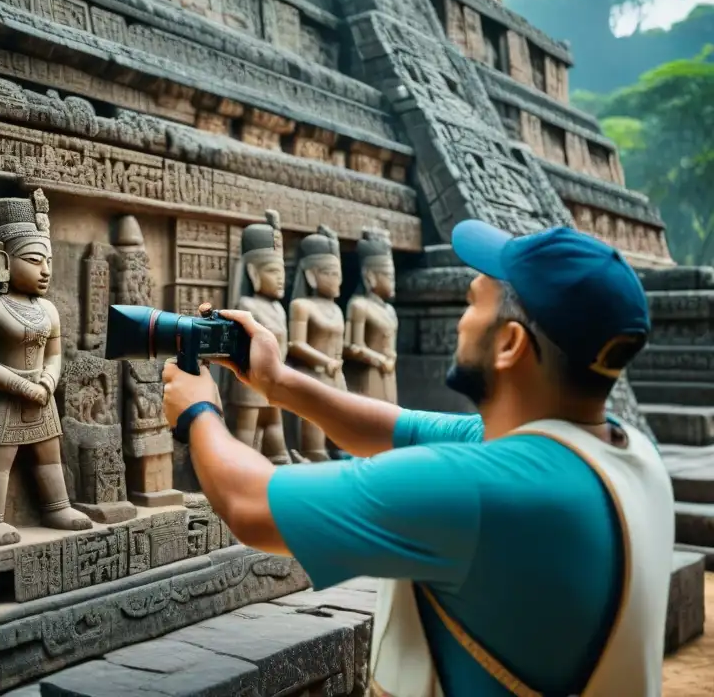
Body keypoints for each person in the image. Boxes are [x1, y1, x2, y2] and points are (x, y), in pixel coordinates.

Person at [161, 220, 674, 697]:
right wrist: (277, 380)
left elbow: (251, 506)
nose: (460, 321)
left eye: (472, 303)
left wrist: (199, 410)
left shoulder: (473, 488)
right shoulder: (627, 455)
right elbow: (392, 428)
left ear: (510, 344)